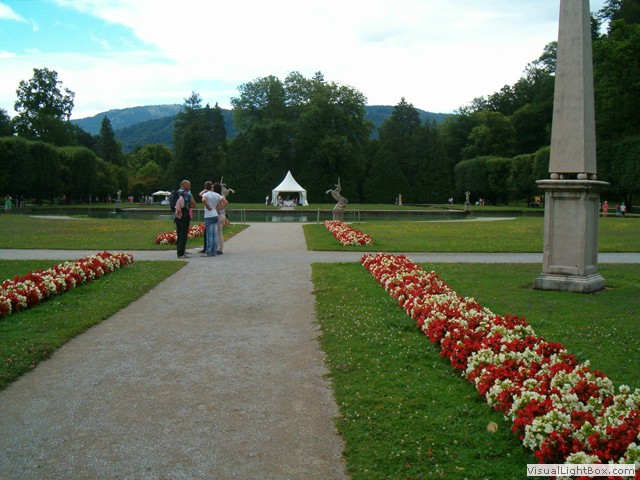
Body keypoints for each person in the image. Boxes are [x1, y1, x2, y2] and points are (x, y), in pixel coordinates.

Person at [174, 180, 197, 259]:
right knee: (183, 234)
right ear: (183, 185)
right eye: (188, 185)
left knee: (179, 233)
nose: (190, 187)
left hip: (177, 215)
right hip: (184, 216)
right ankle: (181, 253)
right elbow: (194, 204)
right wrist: (188, 205)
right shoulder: (187, 194)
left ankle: (179, 251)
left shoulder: (176, 193)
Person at [201, 181, 223, 257]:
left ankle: (208, 251)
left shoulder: (205, 194)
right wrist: (218, 207)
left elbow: (203, 200)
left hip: (208, 215)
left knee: (209, 235)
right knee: (215, 234)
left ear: (205, 187)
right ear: (211, 187)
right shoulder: (217, 195)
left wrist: (207, 206)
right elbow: (225, 202)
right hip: (215, 214)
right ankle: (214, 250)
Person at [214, 182, 229, 255]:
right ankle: (219, 247)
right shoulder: (222, 195)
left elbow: (226, 203)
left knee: (218, 233)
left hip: (219, 214)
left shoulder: (217, 196)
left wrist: (217, 208)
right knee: (219, 232)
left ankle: (219, 248)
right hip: (222, 214)